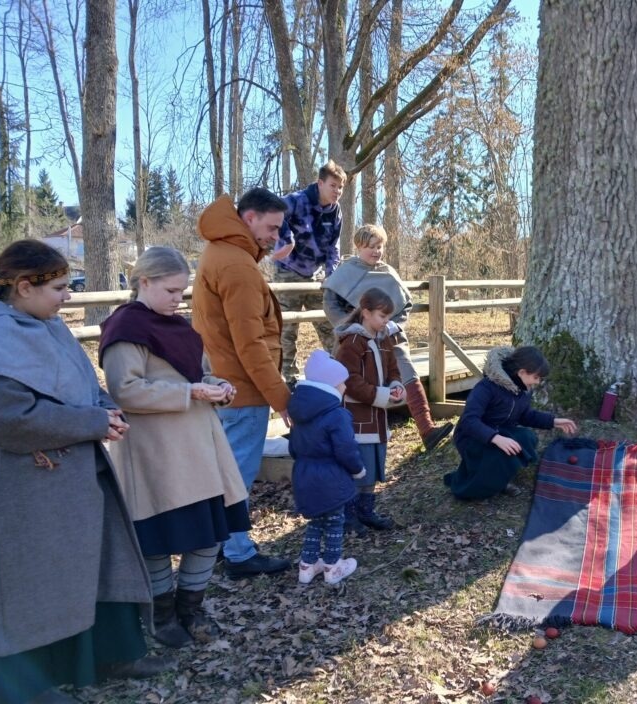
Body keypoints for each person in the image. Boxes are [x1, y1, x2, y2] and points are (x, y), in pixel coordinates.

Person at [0, 240, 172, 704]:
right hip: (16, 489)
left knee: (96, 567)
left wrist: (105, 409)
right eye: (61, 288)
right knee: (26, 590)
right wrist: (91, 422)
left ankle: (108, 654)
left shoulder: (43, 323)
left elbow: (83, 386)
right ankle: (22, 689)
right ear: (24, 287)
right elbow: (1, 416)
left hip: (71, 476)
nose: (69, 296)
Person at [100, 247, 251, 648]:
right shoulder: (125, 330)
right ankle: (162, 615)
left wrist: (216, 385)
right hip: (158, 456)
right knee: (157, 542)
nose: (177, 299)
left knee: (209, 535)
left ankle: (191, 609)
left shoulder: (179, 327)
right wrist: (190, 391)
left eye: (181, 291)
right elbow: (125, 390)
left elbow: (195, 373)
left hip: (201, 450)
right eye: (170, 290)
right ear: (143, 282)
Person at [193, 187, 293, 578]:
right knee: (237, 474)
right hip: (241, 389)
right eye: (271, 227)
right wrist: (281, 399)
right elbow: (251, 344)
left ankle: (219, 543)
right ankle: (237, 552)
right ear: (249, 218)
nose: (275, 236)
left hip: (225, 382)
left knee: (224, 470)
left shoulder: (221, 253)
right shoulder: (237, 266)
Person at [322, 223, 454, 452]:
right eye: (370, 247)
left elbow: (405, 305)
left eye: (379, 246)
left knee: (406, 367)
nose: (376, 251)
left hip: (388, 335)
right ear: (359, 246)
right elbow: (331, 304)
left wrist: (394, 325)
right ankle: (339, 437)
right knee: (349, 379)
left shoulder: (388, 272)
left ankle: (427, 429)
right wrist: (353, 326)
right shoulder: (345, 272)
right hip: (356, 338)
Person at [444, 346, 578, 500]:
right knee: (501, 453)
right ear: (521, 372)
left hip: (500, 432)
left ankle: (499, 477)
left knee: (527, 438)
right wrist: (496, 438)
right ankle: (474, 484)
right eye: (536, 377)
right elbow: (469, 420)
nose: (538, 382)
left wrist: (553, 421)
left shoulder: (523, 389)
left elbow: (525, 415)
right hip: (472, 438)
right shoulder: (487, 387)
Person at [289, 350, 367, 586]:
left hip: (303, 475)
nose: (345, 387)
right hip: (330, 478)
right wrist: (357, 469)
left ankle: (307, 565)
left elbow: (293, 448)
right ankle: (333, 566)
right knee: (334, 521)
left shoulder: (299, 412)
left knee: (315, 521)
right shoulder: (336, 415)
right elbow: (346, 448)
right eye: (342, 382)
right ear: (332, 385)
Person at [333, 288, 406, 534]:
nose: (386, 321)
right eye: (381, 316)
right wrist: (380, 396)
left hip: (378, 417)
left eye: (388, 316)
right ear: (365, 313)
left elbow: (393, 369)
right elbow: (350, 380)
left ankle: (366, 511)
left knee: (373, 465)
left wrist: (396, 388)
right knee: (358, 466)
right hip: (358, 418)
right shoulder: (353, 342)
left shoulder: (383, 338)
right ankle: (348, 515)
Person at [272, 160, 346, 383]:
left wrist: (331, 274)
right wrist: (286, 240)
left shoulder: (335, 212)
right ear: (320, 183)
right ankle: (289, 379)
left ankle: (340, 373)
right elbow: (275, 213)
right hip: (288, 272)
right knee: (287, 329)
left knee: (329, 323)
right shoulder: (297, 200)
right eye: (333, 186)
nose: (337, 191)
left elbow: (334, 246)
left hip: (315, 276)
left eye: (341, 187)